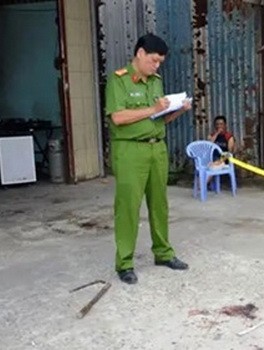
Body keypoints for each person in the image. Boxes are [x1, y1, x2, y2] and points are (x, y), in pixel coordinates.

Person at [105, 34, 191, 284]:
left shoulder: (156, 82)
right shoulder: (118, 80)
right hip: (130, 150)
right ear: (140, 54)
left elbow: (158, 118)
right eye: (154, 60)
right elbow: (118, 118)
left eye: (160, 62)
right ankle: (125, 262)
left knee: (159, 204)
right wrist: (153, 109)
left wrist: (176, 110)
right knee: (128, 207)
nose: (156, 66)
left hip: (157, 148)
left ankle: (163, 253)